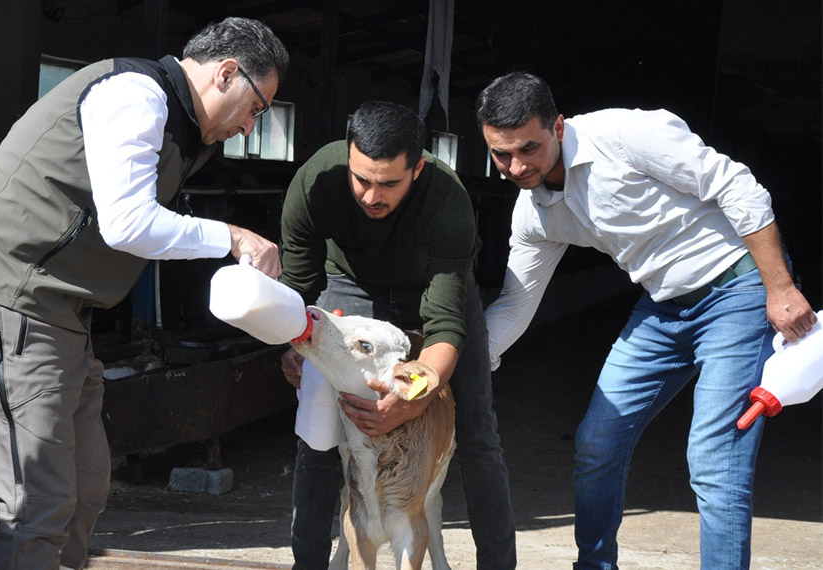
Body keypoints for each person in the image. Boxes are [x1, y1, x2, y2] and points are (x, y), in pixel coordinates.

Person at [0, 17, 289, 570]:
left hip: (61, 313)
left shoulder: (177, 126)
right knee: (37, 503)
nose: (249, 128)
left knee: (86, 489)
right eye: (257, 108)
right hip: (10, 298)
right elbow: (126, 223)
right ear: (227, 73)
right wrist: (231, 236)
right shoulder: (137, 94)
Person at [476, 72, 817, 569]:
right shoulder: (534, 214)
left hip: (736, 291)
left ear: (559, 127)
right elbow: (514, 304)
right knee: (597, 442)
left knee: (715, 462)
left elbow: (736, 185)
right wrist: (454, 369)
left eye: (528, 148)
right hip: (663, 308)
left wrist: (779, 287)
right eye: (500, 154)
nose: (516, 166)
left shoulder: (625, 136)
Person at [278, 100, 517, 569]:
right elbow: (296, 290)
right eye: (361, 179)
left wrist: (420, 393)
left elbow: (446, 324)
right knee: (318, 430)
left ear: (418, 168)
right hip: (350, 281)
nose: (371, 196)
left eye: (389, 183)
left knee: (476, 430)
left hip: (435, 286)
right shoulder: (315, 182)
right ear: (348, 156)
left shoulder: (447, 200)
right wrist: (293, 347)